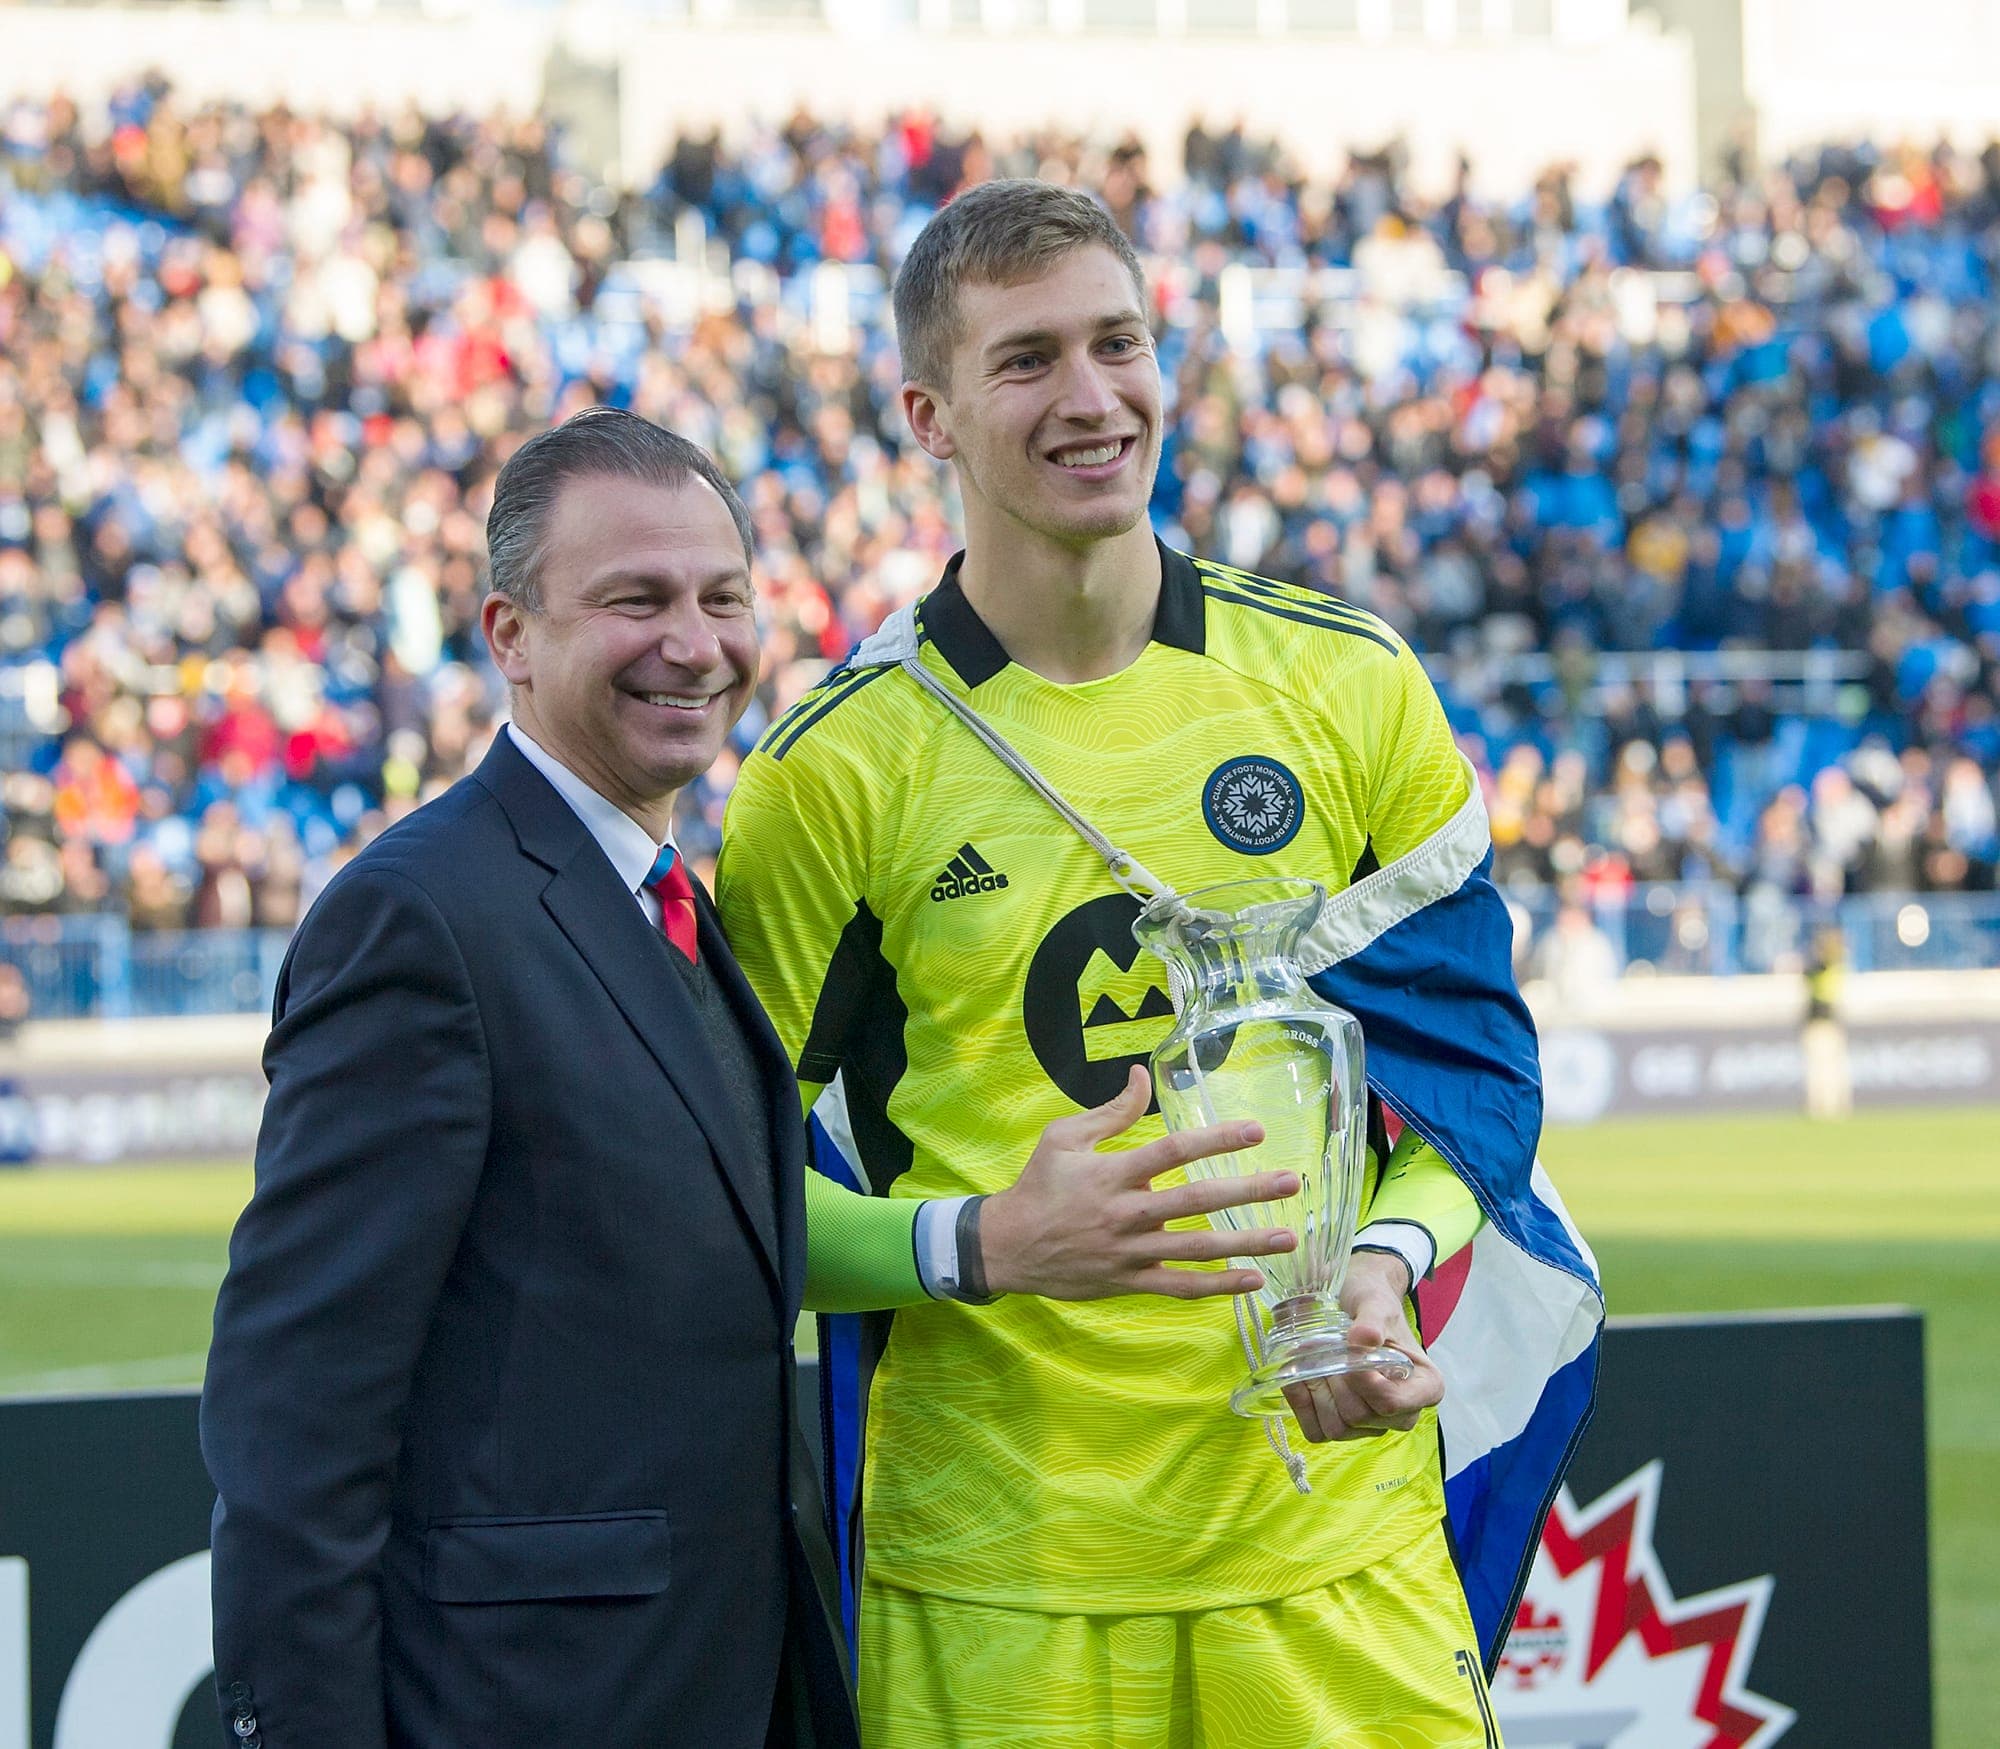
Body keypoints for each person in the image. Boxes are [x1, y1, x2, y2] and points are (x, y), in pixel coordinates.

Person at [201, 408, 1297, 1748]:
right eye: (635, 600)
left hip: (720, 1680)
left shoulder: (671, 904)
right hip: (525, 1706)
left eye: (723, 598)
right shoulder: (422, 919)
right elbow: (297, 1405)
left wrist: (988, 1237)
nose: (694, 643)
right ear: (509, 636)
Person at [717, 182, 1602, 1745]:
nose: (1092, 397)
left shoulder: (1348, 684)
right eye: (1027, 359)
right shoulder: (831, 772)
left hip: (1333, 1547)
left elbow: (1474, 1078)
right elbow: (722, 1198)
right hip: (999, 1584)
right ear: (927, 415)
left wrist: (1382, 1269)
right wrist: (983, 1240)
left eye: (1118, 344)